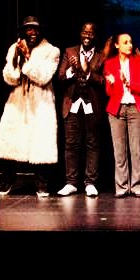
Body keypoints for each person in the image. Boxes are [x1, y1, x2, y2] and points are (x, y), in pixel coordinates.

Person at [0, 15, 61, 197]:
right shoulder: (13, 48)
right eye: (28, 29)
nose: (32, 32)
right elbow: (10, 77)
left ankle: (42, 184)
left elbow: (43, 77)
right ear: (23, 31)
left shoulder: (52, 51)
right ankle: (7, 180)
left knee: (41, 144)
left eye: (35, 29)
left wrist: (27, 57)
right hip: (18, 102)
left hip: (41, 103)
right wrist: (17, 60)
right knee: (10, 143)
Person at [56, 22, 105, 197]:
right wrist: (72, 69)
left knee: (92, 143)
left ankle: (90, 182)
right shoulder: (69, 52)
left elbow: (104, 82)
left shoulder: (101, 56)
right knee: (71, 144)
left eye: (91, 33)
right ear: (80, 33)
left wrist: (88, 72)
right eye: (85, 32)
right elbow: (60, 77)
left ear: (95, 36)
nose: (87, 35)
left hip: (92, 105)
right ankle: (71, 183)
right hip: (73, 104)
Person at [103, 32, 140, 198]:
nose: (130, 45)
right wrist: (113, 83)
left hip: (136, 108)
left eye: (131, 42)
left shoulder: (138, 61)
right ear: (117, 45)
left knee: (136, 150)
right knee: (119, 152)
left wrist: (128, 83)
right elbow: (109, 92)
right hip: (117, 109)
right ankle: (121, 187)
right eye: (125, 42)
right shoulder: (110, 63)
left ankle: (137, 186)